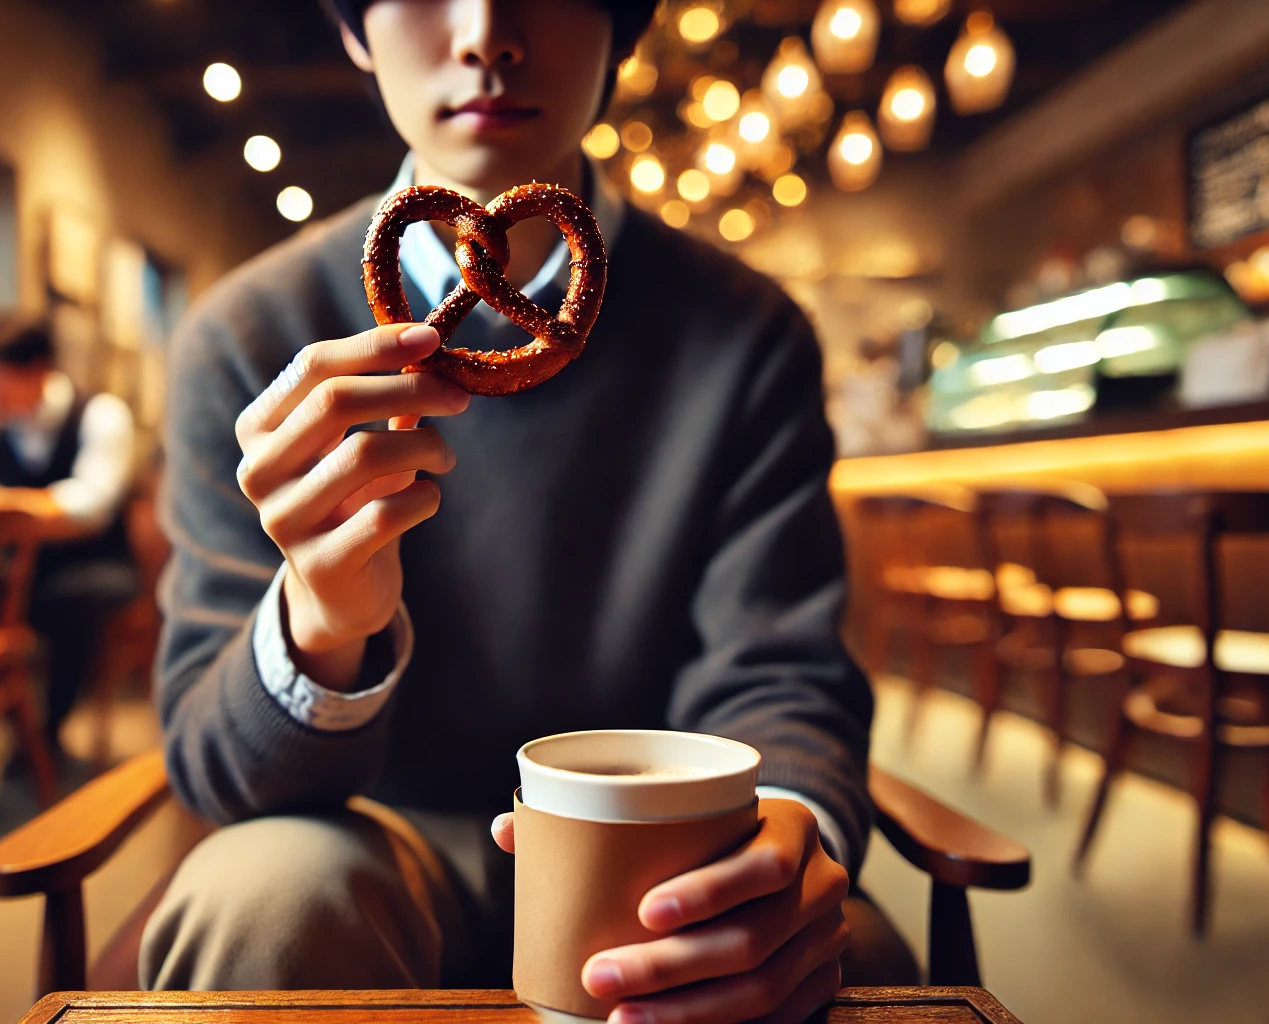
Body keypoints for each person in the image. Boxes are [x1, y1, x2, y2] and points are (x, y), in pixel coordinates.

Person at [145, 1, 918, 1020]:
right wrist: (322, 621)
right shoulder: (250, 337)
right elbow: (213, 765)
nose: (484, 34)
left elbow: (779, 667)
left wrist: (788, 828)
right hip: (372, 830)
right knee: (261, 898)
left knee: (839, 951)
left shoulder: (746, 335)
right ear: (349, 28)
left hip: (656, 832)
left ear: (621, 24)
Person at [0, 315, 139, 761]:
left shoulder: (100, 414)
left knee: (72, 602)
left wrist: (7, 508)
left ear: (38, 370)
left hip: (94, 562)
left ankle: (48, 733)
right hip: (21, 573)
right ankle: (16, 730)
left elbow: (91, 507)